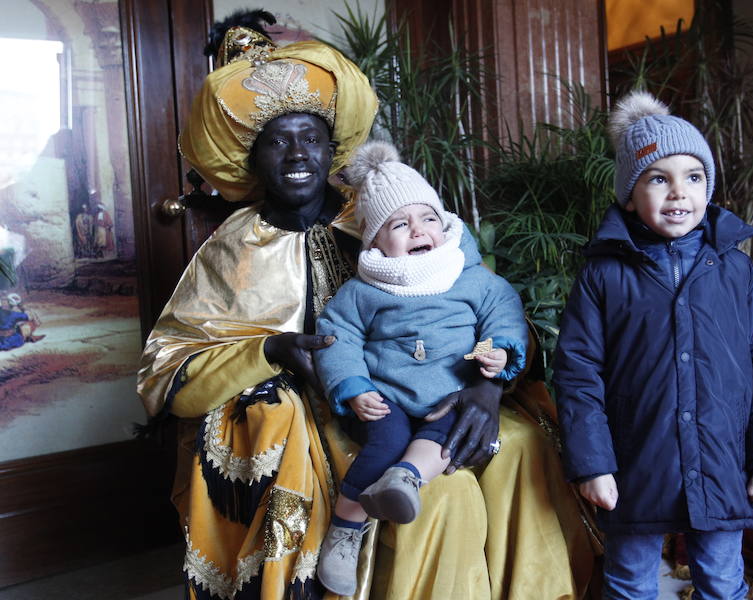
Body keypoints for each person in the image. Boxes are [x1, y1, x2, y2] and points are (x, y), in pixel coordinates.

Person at [137, 13, 594, 600]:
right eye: (276, 141)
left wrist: (488, 388)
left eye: (310, 139)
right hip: (342, 403)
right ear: (253, 158)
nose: (296, 154)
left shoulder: (384, 206)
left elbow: (486, 299)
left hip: (448, 382)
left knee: (523, 447)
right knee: (442, 493)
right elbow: (167, 369)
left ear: (334, 148)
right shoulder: (233, 247)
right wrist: (270, 349)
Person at [553, 90, 753, 600]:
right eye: (658, 179)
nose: (678, 193)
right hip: (635, 460)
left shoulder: (736, 269)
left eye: (693, 177)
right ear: (629, 195)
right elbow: (578, 372)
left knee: (721, 576)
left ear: (708, 188)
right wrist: (592, 462)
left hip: (720, 459)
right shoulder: (603, 274)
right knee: (629, 581)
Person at [312, 142, 528, 595]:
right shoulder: (362, 290)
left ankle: (406, 480)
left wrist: (501, 353)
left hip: (450, 392)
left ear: (443, 225)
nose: (418, 230)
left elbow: (503, 313)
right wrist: (352, 386)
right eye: (400, 224)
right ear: (374, 238)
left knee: (451, 435)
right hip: (385, 393)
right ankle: (345, 529)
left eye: (428, 218)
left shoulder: (468, 274)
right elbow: (339, 338)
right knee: (385, 438)